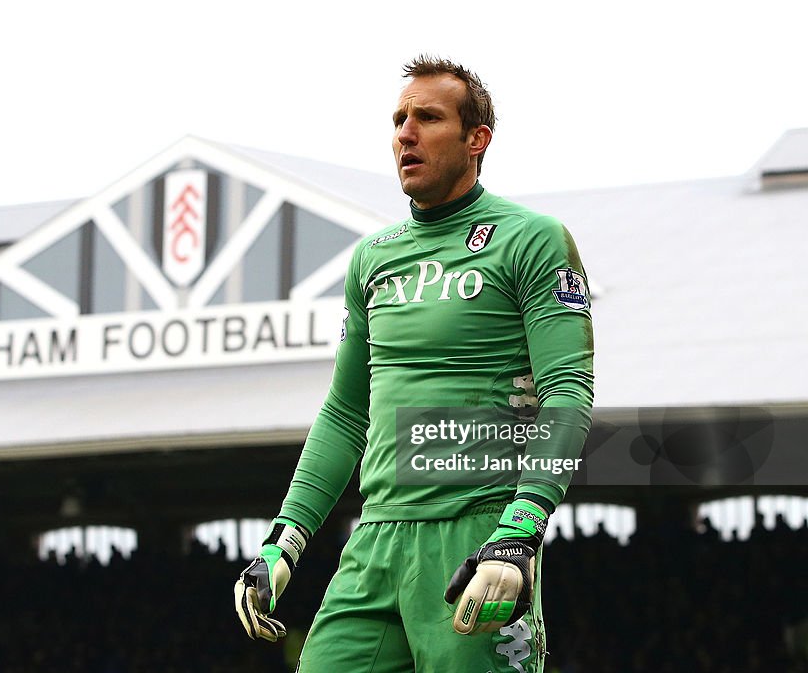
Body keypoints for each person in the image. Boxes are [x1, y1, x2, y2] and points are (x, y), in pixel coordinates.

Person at [235, 55, 594, 672]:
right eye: (400, 118)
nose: (405, 132)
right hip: (374, 542)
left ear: (476, 139)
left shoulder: (532, 239)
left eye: (427, 118)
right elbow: (347, 414)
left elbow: (569, 390)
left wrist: (520, 533)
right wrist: (284, 541)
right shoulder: (372, 259)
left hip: (476, 536)